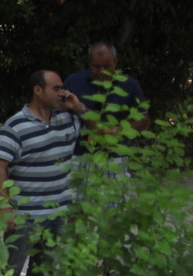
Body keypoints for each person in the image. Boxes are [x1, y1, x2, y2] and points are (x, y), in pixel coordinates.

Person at [0, 70, 84, 276]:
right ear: (38, 90)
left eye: (63, 87)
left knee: (43, 272)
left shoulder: (67, 119)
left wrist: (79, 107)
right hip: (25, 215)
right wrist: (5, 207)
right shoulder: (16, 125)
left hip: (58, 213)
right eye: (56, 88)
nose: (62, 92)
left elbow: (103, 129)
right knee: (9, 272)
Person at [63, 42, 150, 191]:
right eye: (96, 67)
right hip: (78, 154)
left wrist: (120, 130)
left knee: (113, 206)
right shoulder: (74, 81)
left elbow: (144, 119)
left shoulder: (129, 85)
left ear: (115, 62)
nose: (101, 71)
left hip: (114, 154)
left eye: (107, 66)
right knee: (75, 206)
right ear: (90, 63)